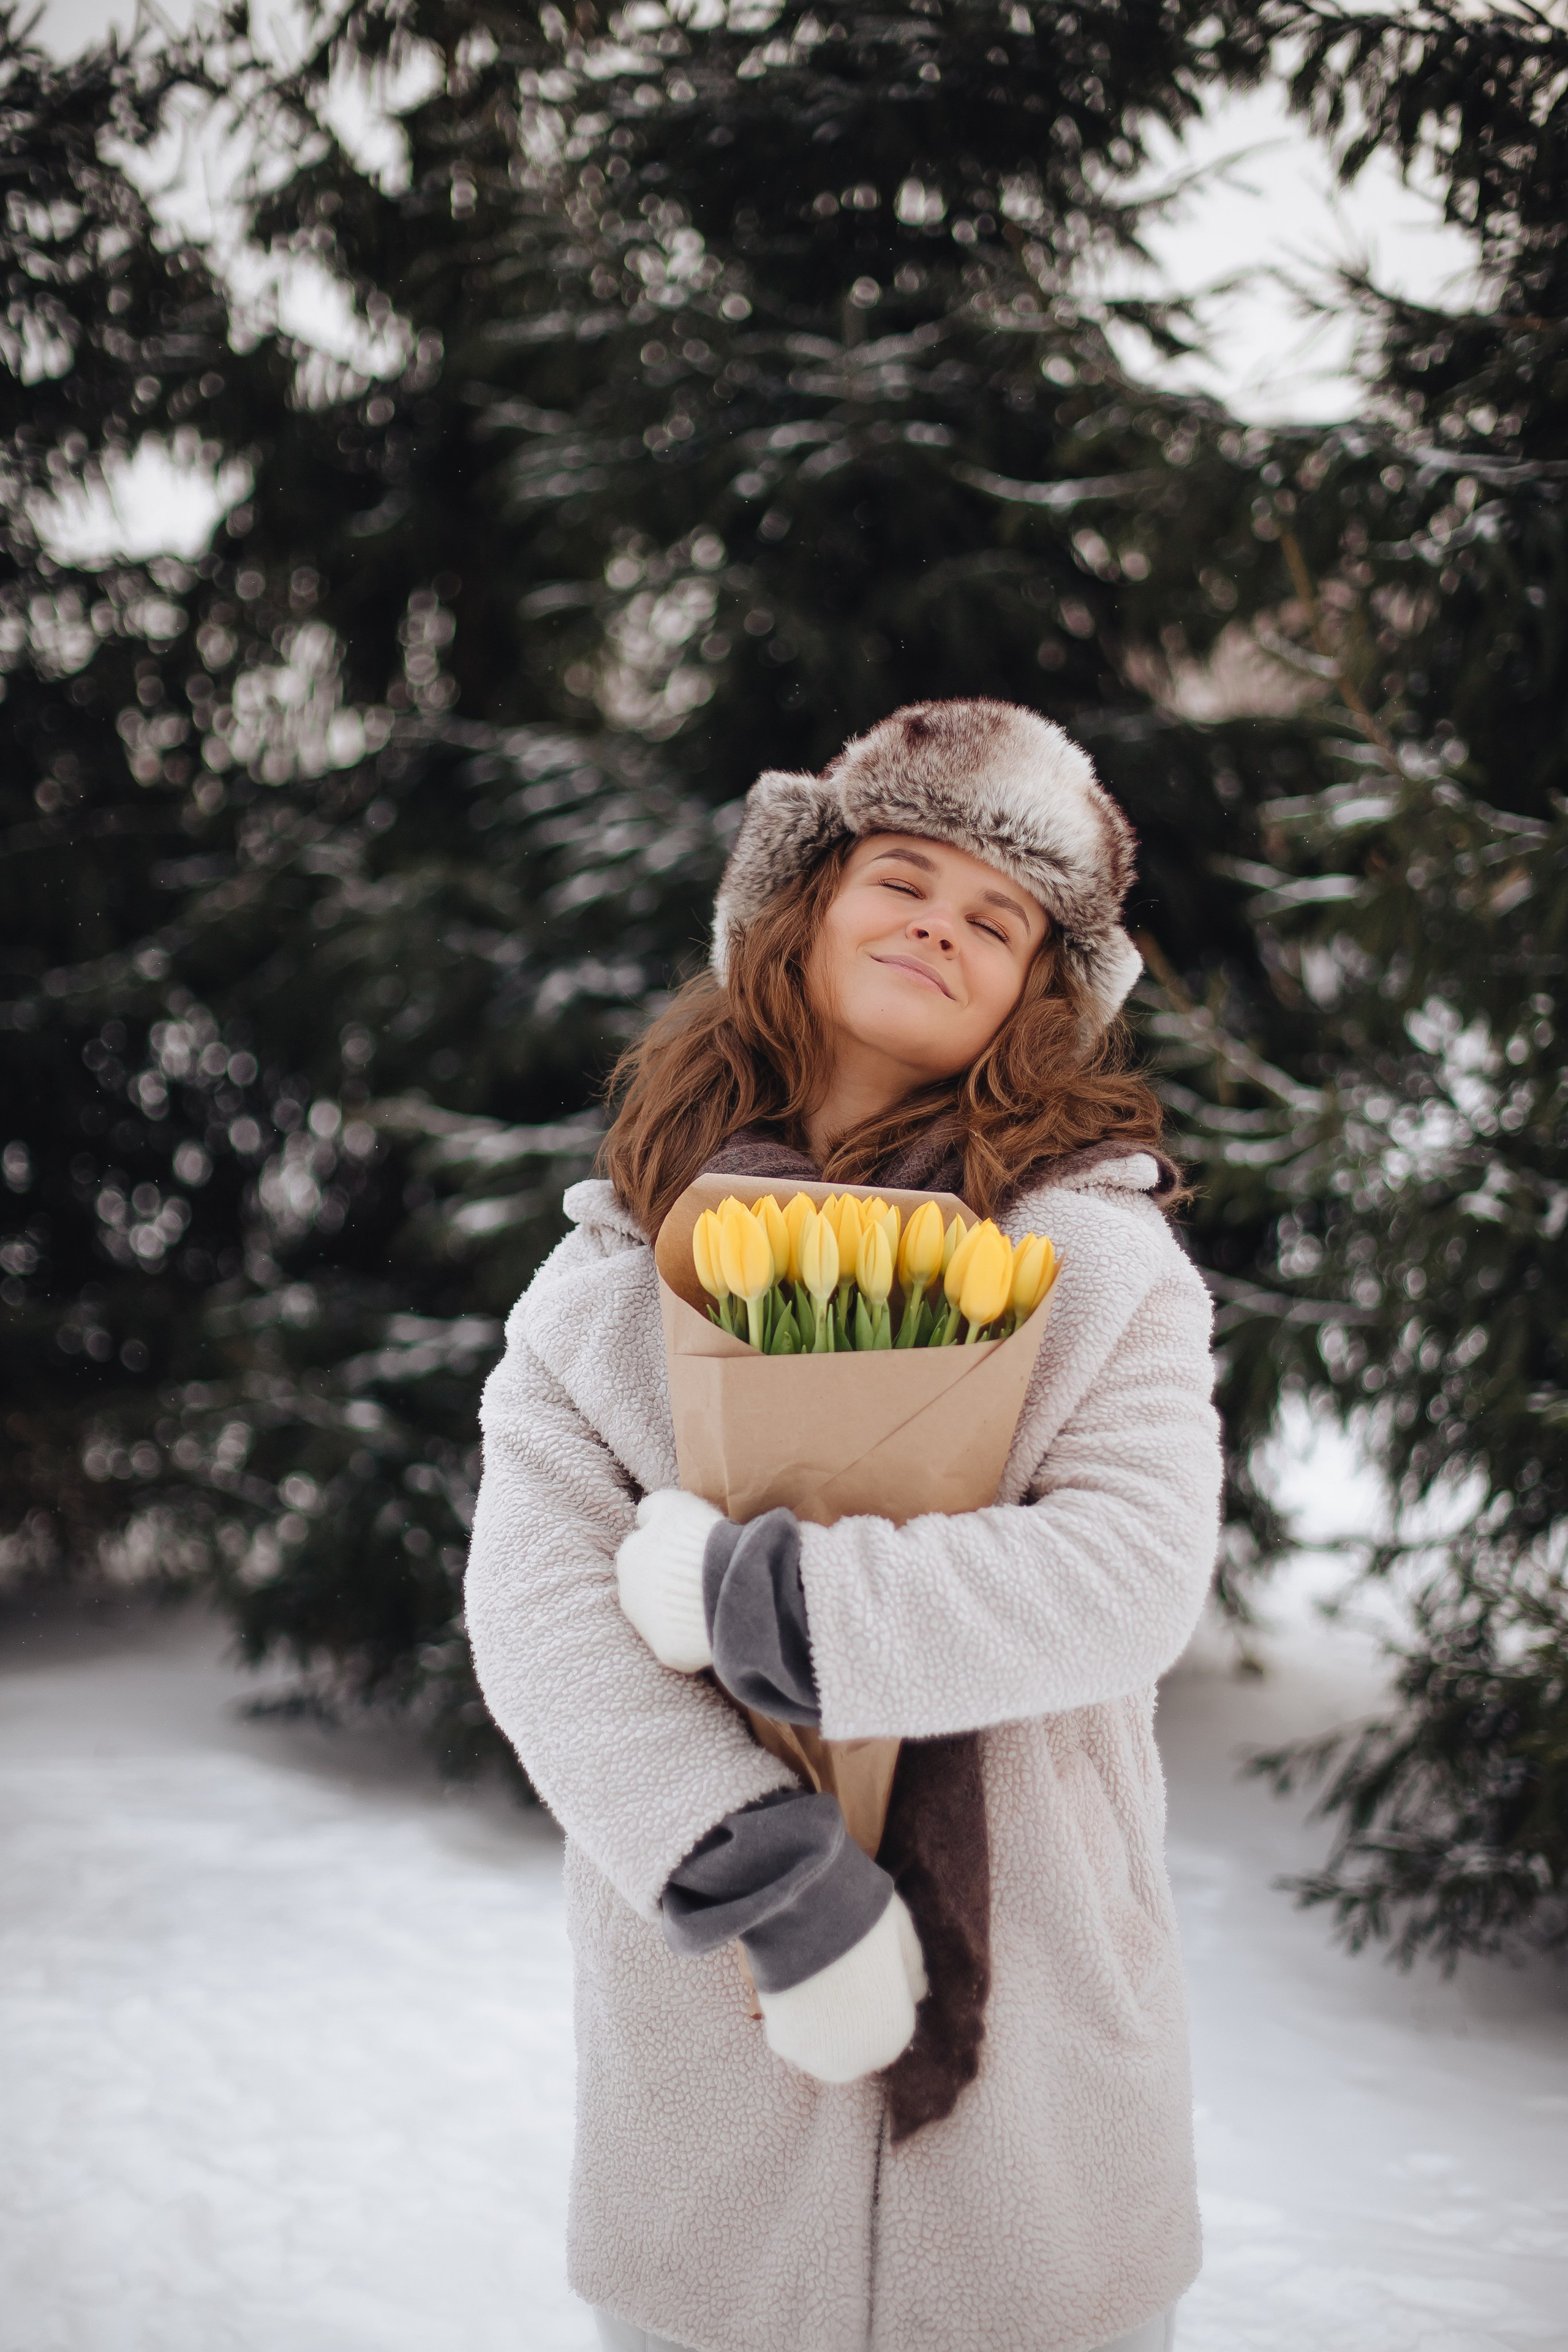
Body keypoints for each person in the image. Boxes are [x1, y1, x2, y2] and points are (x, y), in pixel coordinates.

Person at [466, 698, 1222, 2352]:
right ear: (802, 908)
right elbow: (541, 1622)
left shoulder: (1093, 1259)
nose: (941, 923)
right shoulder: (608, 1285)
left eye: (999, 914)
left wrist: (776, 1601)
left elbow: (1130, 1574)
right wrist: (761, 1871)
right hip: (718, 2052)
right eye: (903, 875)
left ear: (1042, 987)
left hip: (1031, 2066)